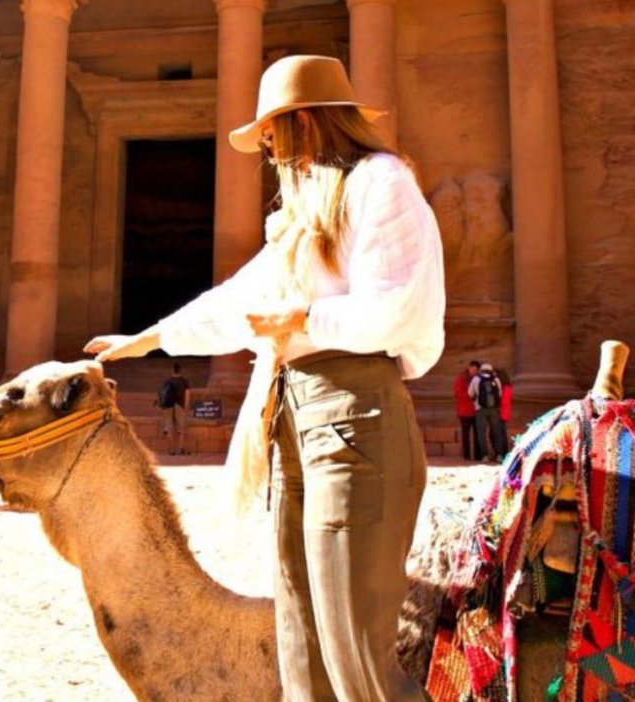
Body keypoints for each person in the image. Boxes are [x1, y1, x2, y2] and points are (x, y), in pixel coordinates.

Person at [85, 55, 444, 702]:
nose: (270, 149)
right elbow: (238, 301)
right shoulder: (301, 218)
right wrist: (150, 339)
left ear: (302, 120)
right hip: (293, 418)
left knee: (355, 651)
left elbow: (398, 308)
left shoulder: (380, 183)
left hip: (355, 411)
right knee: (301, 640)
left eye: (272, 134)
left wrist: (304, 316)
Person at [468, 362, 505, 462]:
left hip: (480, 409)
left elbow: (470, 393)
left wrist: (476, 399)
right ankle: (499, 455)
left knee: (481, 433)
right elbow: (500, 394)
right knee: (496, 432)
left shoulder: (476, 379)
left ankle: (485, 456)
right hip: (494, 409)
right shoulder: (496, 379)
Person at [158, 363, 192, 456]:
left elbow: (162, 394)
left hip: (168, 406)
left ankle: (171, 450)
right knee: (181, 427)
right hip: (179, 405)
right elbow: (187, 394)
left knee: (168, 427)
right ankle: (180, 449)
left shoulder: (167, 381)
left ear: (172, 370)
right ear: (180, 370)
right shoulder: (184, 381)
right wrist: (186, 406)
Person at [454, 360, 481, 460]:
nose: (473, 371)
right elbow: (458, 392)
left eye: (475, 370)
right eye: (472, 369)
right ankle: (466, 455)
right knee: (465, 435)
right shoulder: (461, 377)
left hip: (476, 410)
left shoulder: (478, 378)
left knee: (477, 435)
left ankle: (477, 455)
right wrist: (470, 395)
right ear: (469, 368)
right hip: (464, 410)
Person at [497, 367, 513, 455]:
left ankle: (503, 452)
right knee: (502, 433)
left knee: (501, 434)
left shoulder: (506, 388)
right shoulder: (507, 387)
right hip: (504, 412)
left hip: (502, 412)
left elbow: (504, 401)